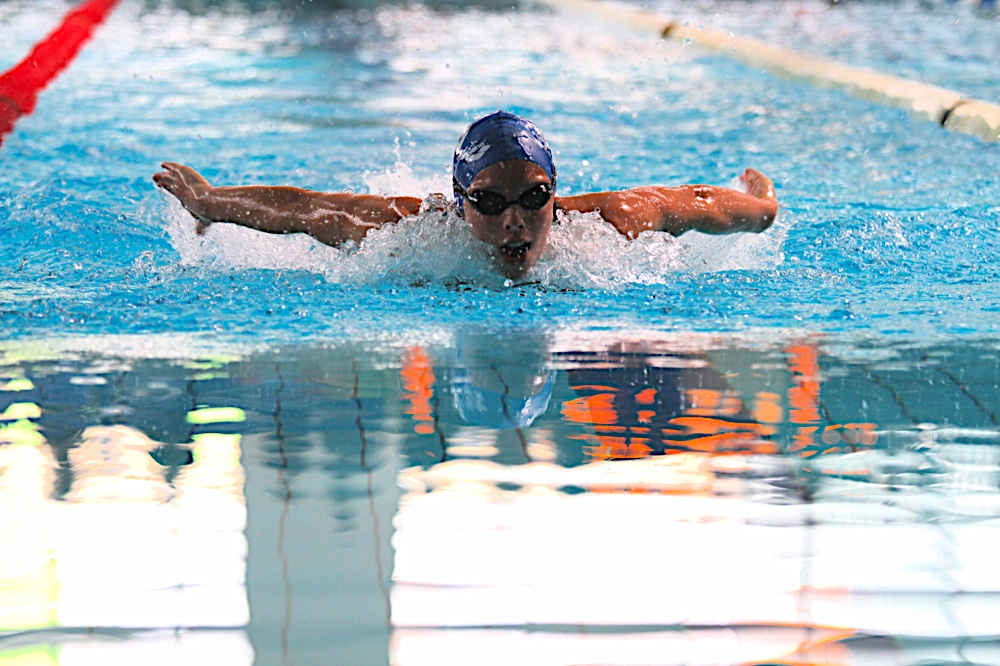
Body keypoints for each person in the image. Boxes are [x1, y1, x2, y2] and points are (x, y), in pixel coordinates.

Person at [153, 110, 778, 280]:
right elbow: (311, 209)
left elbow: (695, 202)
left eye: (534, 198)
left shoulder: (607, 226)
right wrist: (212, 204)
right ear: (459, 203)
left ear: (556, 196)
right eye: (489, 203)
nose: (516, 222)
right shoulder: (415, 235)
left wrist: (762, 204)